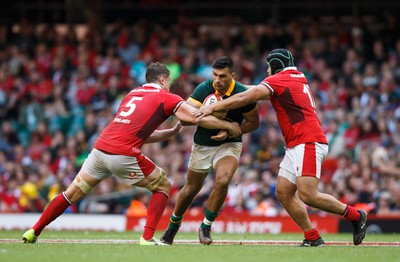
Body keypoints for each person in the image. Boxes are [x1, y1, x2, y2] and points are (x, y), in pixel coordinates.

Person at [22, 62, 241, 246]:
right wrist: (230, 127)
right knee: (163, 185)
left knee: (71, 194)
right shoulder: (167, 96)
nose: (170, 84)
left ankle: (33, 231)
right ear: (164, 79)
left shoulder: (132, 94)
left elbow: (137, 132)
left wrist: (171, 132)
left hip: (100, 150)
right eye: (169, 81)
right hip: (122, 154)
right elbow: (197, 117)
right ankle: (147, 238)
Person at [195, 49, 367, 246]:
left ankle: (356, 216)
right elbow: (252, 90)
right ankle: (312, 236)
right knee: (283, 192)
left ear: (276, 66)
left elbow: (247, 97)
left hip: (307, 142)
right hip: (297, 144)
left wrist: (212, 107)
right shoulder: (295, 77)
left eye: (269, 67)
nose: (267, 71)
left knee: (308, 194)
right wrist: (230, 88)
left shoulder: (281, 79)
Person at [161, 56, 259, 245]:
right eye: (214, 75)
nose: (217, 80)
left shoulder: (243, 94)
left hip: (229, 144)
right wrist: (228, 125)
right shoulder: (204, 88)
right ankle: (173, 226)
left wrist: (234, 131)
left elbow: (254, 123)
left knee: (222, 181)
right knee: (191, 189)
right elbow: (184, 118)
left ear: (232, 75)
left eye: (222, 76)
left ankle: (206, 226)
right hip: (203, 144)